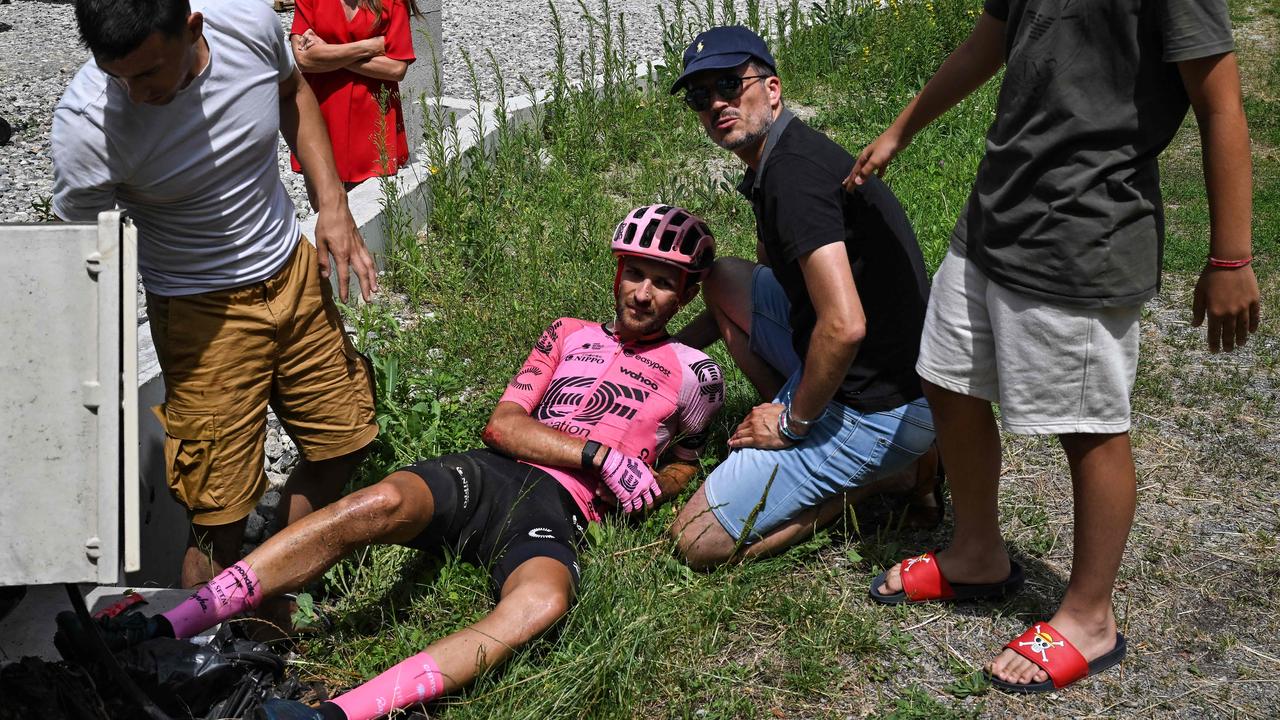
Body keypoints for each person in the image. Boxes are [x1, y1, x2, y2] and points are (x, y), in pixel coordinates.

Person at [60, 205, 725, 720]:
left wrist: (653, 485)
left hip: (562, 509)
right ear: (615, 271)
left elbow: (684, 463)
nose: (641, 294)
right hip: (492, 474)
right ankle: (164, 623)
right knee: (372, 504)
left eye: (663, 284)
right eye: (633, 273)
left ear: (687, 296)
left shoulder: (697, 374)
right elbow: (503, 424)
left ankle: (334, 712)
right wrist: (597, 452)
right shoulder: (568, 333)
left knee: (545, 601)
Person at [844, 0, 1259, 694]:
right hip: (994, 214)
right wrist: (901, 128)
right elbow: (989, 41)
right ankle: (977, 552)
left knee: (1087, 427)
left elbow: (1220, 102)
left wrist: (1231, 258)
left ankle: (1091, 616)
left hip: (1084, 233)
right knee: (947, 377)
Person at [52, 0, 381, 589]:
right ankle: (217, 654)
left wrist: (332, 204)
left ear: (194, 28)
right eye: (116, 76)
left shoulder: (247, 23)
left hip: (296, 276)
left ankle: (279, 568)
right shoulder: (88, 126)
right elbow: (81, 252)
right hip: (199, 314)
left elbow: (291, 91)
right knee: (217, 514)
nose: (133, 94)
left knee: (343, 440)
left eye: (149, 73)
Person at [666, 26, 938, 569]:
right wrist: (663, 349)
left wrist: (791, 422)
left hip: (875, 405)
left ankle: (884, 475)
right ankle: (814, 423)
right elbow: (774, 267)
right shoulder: (782, 158)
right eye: (701, 95)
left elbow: (843, 326)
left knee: (695, 540)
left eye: (729, 83)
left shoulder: (791, 178)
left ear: (772, 89)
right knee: (723, 279)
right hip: (909, 375)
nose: (717, 103)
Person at [289, 0, 419, 197]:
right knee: (326, 212)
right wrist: (370, 46)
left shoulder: (393, 2)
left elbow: (396, 68)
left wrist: (328, 52)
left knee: (373, 207)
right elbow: (304, 59)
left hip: (372, 126)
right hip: (322, 118)